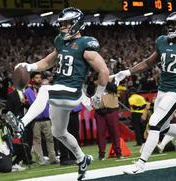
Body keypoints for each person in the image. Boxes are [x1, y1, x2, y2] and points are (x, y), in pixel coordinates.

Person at [110, 12, 176, 174]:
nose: (170, 27)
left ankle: (140, 164)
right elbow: (148, 62)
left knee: (154, 123)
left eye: (174, 24)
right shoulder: (162, 41)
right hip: (163, 89)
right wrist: (127, 72)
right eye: (169, 24)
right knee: (163, 127)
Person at [14, 7, 109, 180]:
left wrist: (97, 95)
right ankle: (82, 159)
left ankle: (22, 123)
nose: (63, 28)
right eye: (62, 24)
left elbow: (104, 71)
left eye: (66, 24)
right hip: (61, 90)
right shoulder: (60, 41)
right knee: (58, 132)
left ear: (76, 24)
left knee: (44, 89)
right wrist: (30, 67)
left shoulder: (86, 44)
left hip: (72, 92)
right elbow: (47, 62)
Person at [24, 73, 58, 165]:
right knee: (37, 141)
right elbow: (29, 103)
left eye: (40, 78)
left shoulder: (44, 89)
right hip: (36, 120)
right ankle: (40, 160)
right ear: (32, 79)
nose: (38, 79)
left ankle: (53, 157)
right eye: (36, 78)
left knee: (50, 139)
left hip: (47, 118)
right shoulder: (28, 91)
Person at [95, 82, 121, 160]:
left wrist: (105, 81)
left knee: (115, 132)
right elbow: (89, 92)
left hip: (111, 111)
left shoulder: (111, 84)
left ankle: (118, 152)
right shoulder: (95, 87)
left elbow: (114, 88)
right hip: (99, 112)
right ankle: (101, 153)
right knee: (100, 133)